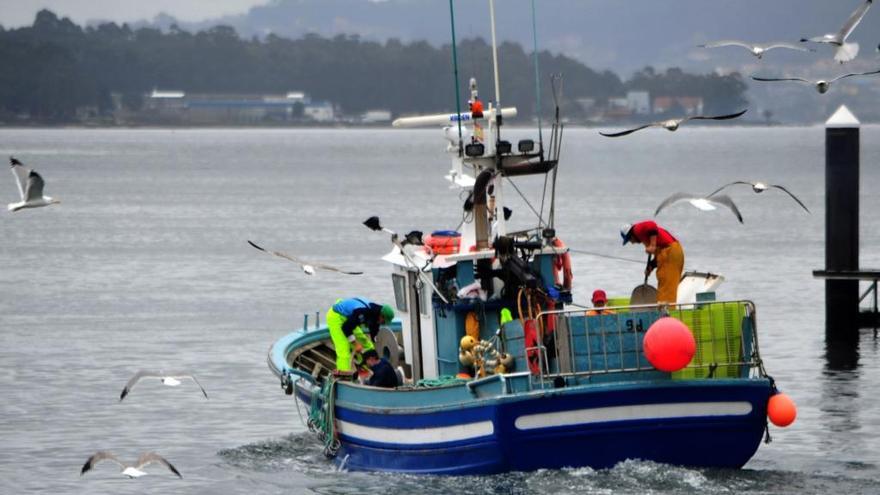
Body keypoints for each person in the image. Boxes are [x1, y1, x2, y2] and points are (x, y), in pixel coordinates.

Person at [621, 221, 685, 304]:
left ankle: (666, 313)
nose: (632, 243)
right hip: (672, 252)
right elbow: (659, 253)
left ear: (631, 234)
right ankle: (666, 311)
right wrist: (651, 266)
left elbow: (651, 225)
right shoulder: (644, 236)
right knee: (667, 284)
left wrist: (652, 245)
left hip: (670, 251)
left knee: (666, 287)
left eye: (629, 240)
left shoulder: (637, 229)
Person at [326, 298, 395, 373]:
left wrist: (377, 346)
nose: (384, 323)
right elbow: (346, 328)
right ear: (381, 316)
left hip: (350, 318)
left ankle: (364, 369)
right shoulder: (363, 312)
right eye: (384, 321)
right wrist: (355, 343)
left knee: (368, 345)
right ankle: (343, 375)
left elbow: (374, 332)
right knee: (344, 350)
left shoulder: (376, 315)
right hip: (337, 316)